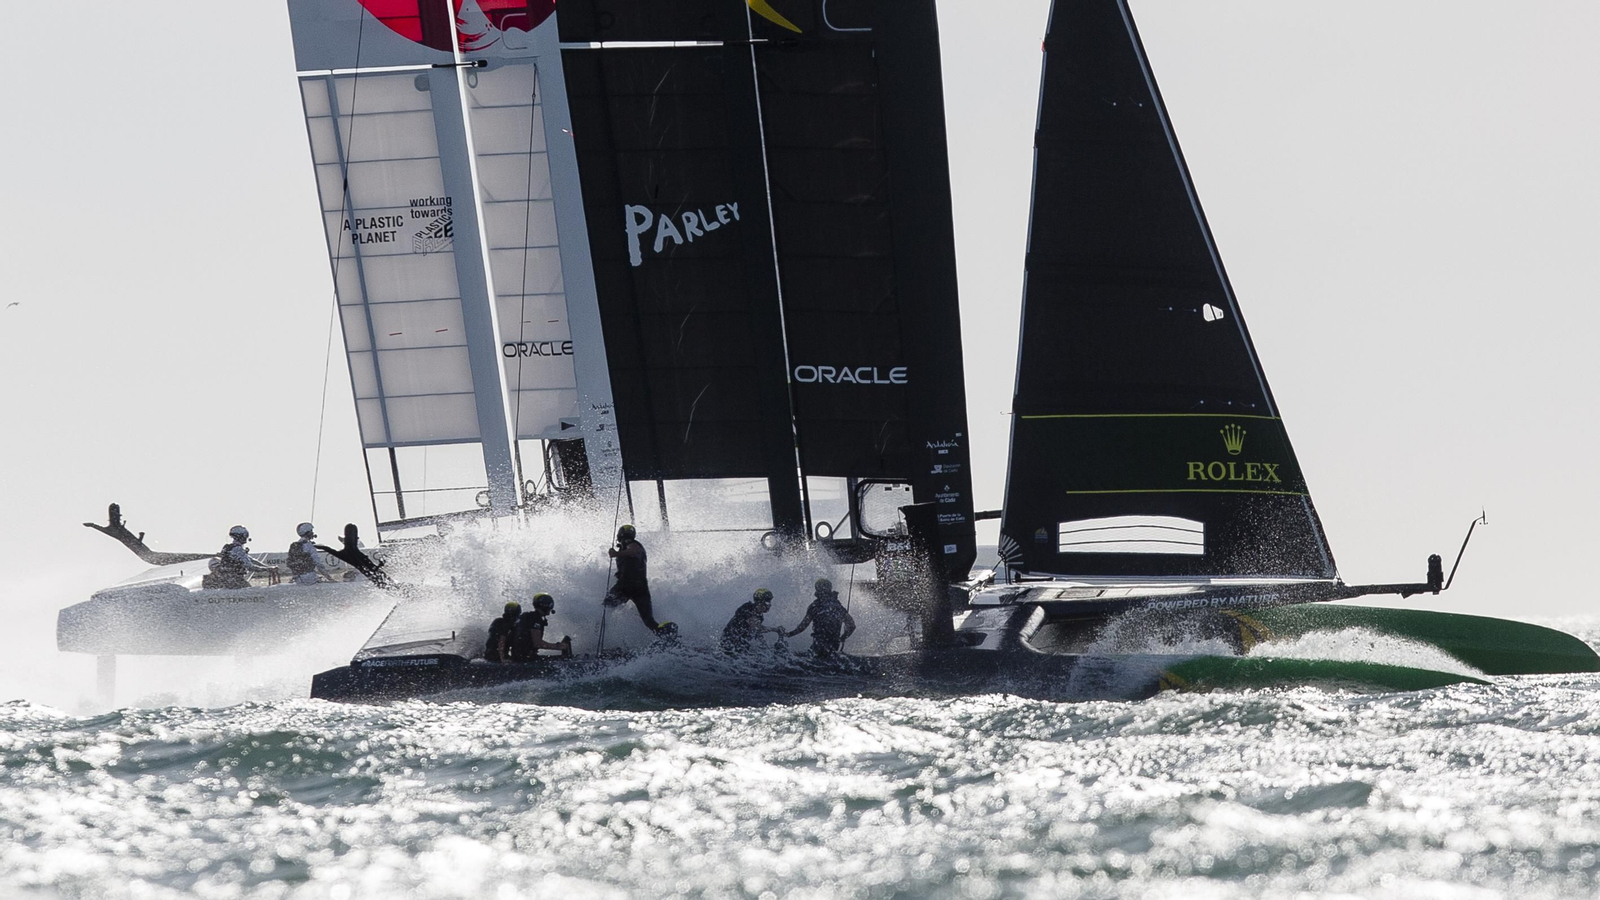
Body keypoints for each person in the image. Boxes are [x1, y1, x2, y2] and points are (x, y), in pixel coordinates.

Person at [605, 524, 669, 636]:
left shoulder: (628, 542)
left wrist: (616, 554)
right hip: (641, 588)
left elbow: (634, 550)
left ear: (620, 535)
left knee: (605, 609)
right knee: (649, 620)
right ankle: (664, 633)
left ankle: (595, 637)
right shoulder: (634, 545)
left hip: (626, 585)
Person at [787, 577, 856, 658]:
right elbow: (851, 625)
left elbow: (802, 627)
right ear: (830, 589)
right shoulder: (838, 607)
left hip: (818, 647)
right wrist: (843, 637)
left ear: (817, 590)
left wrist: (789, 634)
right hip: (833, 646)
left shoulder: (815, 607)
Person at [203, 525, 278, 590]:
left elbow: (252, 560)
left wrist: (268, 567)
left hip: (228, 579)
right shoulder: (237, 549)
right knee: (250, 592)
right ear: (241, 536)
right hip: (234, 580)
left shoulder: (230, 548)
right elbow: (250, 567)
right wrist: (267, 569)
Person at [720, 588, 785, 654]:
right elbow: (756, 627)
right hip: (729, 645)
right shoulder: (747, 608)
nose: (769, 605)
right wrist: (775, 629)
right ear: (760, 602)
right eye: (767, 602)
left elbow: (757, 632)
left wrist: (766, 647)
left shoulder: (759, 616)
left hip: (741, 645)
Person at [510, 593, 573, 661]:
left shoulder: (526, 616)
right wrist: (558, 646)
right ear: (545, 605)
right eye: (551, 605)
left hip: (517, 655)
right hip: (526, 658)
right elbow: (537, 643)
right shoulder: (536, 619)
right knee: (561, 661)